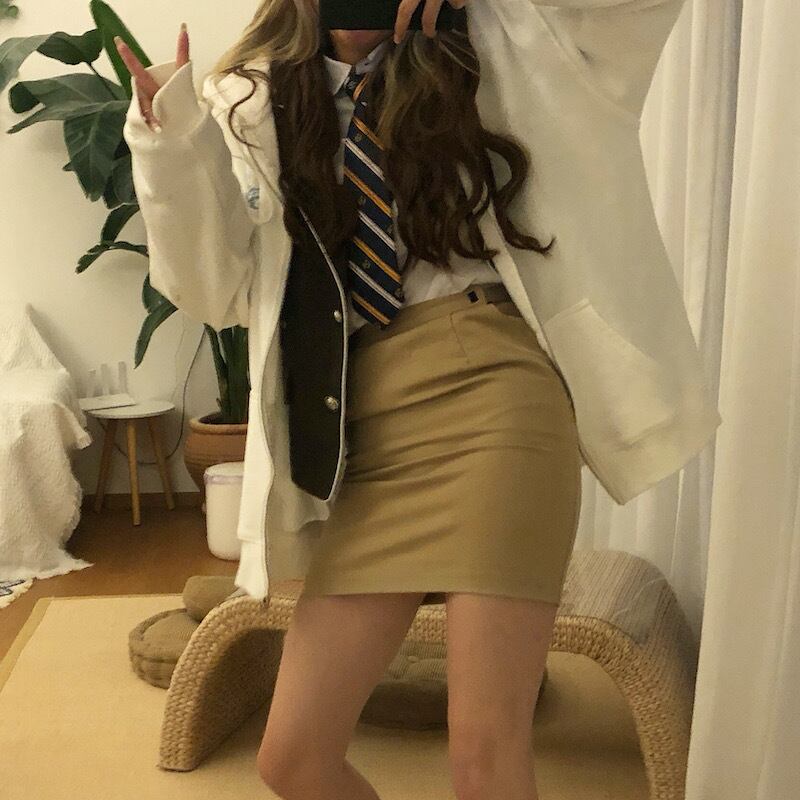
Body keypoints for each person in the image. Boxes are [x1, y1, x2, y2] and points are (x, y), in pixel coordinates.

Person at [117, 0, 715, 797]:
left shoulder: (501, 38)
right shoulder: (251, 98)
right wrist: (169, 145)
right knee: (292, 757)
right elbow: (215, 290)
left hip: (494, 395)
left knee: (484, 754)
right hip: (359, 429)